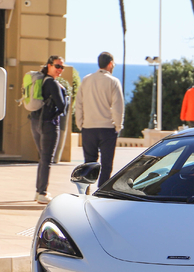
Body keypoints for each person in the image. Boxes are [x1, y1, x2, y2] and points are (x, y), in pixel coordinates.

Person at [75, 51, 124, 188]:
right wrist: (118, 126)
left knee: (89, 163)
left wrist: (80, 124)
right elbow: (117, 107)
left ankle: (85, 190)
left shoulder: (86, 79)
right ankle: (100, 191)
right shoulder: (113, 82)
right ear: (110, 64)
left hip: (88, 128)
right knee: (106, 164)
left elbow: (79, 104)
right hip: (107, 129)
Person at [30, 55, 69, 204]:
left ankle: (38, 191)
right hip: (48, 124)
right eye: (57, 66)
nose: (60, 69)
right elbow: (62, 106)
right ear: (49, 65)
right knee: (47, 159)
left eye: (62, 67)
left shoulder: (42, 81)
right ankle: (42, 193)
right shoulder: (52, 83)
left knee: (43, 158)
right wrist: (63, 92)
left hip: (35, 122)